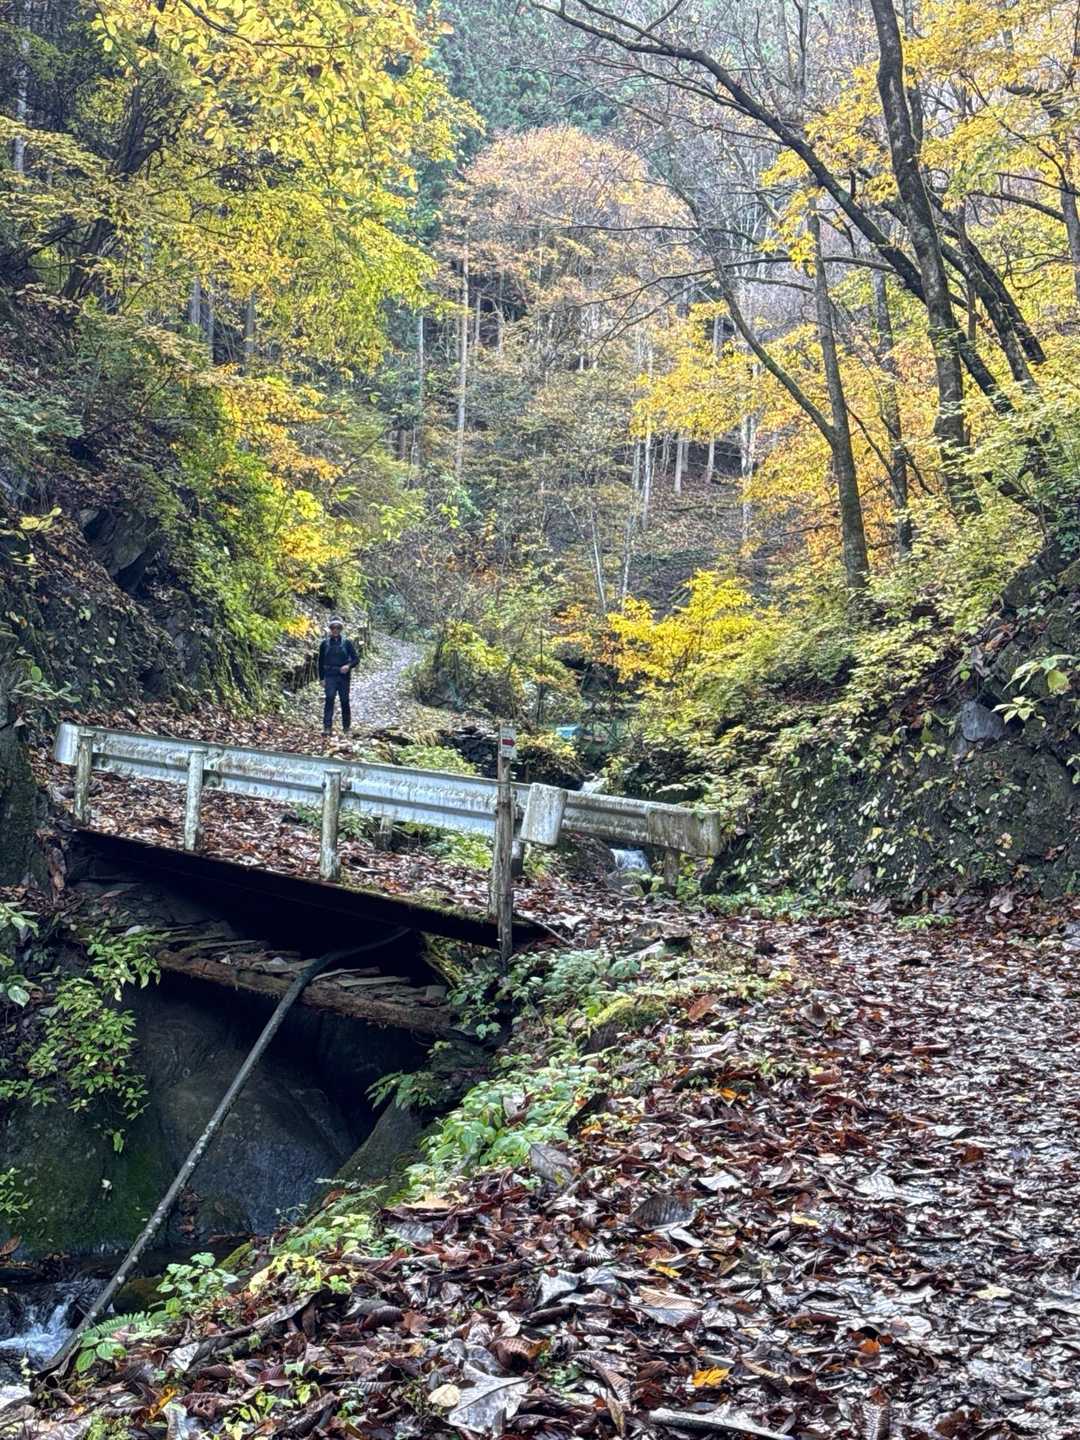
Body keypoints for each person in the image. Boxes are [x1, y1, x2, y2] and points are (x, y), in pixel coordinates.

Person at [318, 618, 359, 736]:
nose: (335, 630)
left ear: (341, 629)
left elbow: (356, 659)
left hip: (343, 676)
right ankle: (327, 728)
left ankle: (347, 728)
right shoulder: (324, 644)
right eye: (333, 627)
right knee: (329, 699)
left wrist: (348, 666)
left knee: (344, 700)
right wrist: (321, 678)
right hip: (330, 675)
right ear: (330, 629)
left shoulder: (347, 643)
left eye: (338, 627)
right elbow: (320, 662)